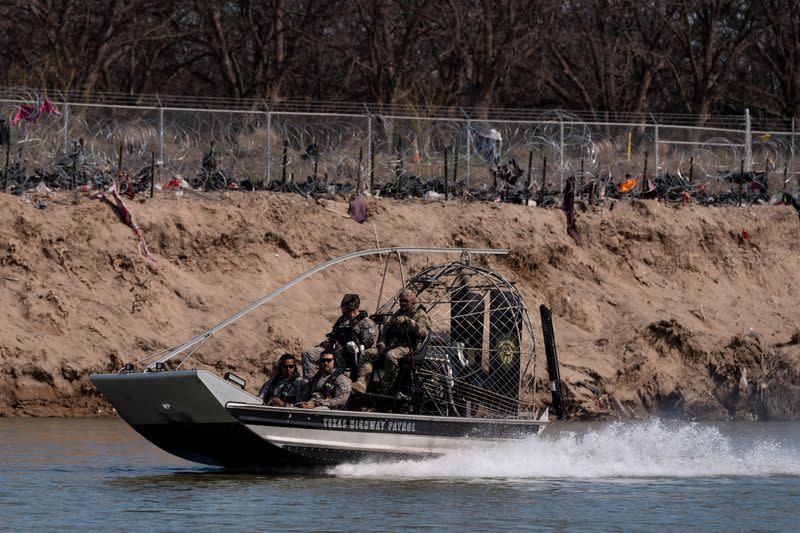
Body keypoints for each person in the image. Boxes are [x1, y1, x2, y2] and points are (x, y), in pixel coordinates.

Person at [352, 289, 431, 394]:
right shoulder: (398, 313)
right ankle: (362, 383)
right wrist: (382, 343)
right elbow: (387, 331)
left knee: (391, 355)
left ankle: (387, 383)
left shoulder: (420, 314)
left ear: (412, 301)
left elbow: (423, 332)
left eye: (405, 301)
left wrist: (409, 321)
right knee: (367, 354)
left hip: (408, 347)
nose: (402, 303)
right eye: (401, 300)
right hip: (393, 345)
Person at [301, 293, 377, 378]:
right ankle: (311, 383)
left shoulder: (366, 323)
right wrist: (326, 343)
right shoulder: (342, 320)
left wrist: (345, 345)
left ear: (350, 306)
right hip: (332, 349)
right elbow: (333, 335)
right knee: (307, 354)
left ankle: (334, 381)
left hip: (349, 354)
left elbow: (368, 344)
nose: (342, 309)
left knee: (336, 356)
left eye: (343, 306)